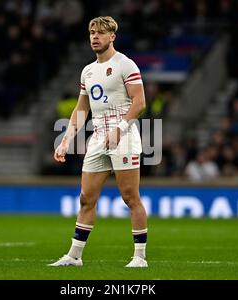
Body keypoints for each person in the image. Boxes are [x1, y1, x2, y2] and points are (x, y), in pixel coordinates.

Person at [49, 16, 148, 268]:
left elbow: (140, 102)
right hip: (98, 136)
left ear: (112, 36)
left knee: (130, 197)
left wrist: (121, 128)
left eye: (101, 33)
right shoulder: (88, 71)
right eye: (92, 32)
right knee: (86, 198)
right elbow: (81, 109)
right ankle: (74, 256)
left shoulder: (125, 64)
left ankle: (139, 258)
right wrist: (65, 141)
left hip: (123, 135)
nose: (95, 36)